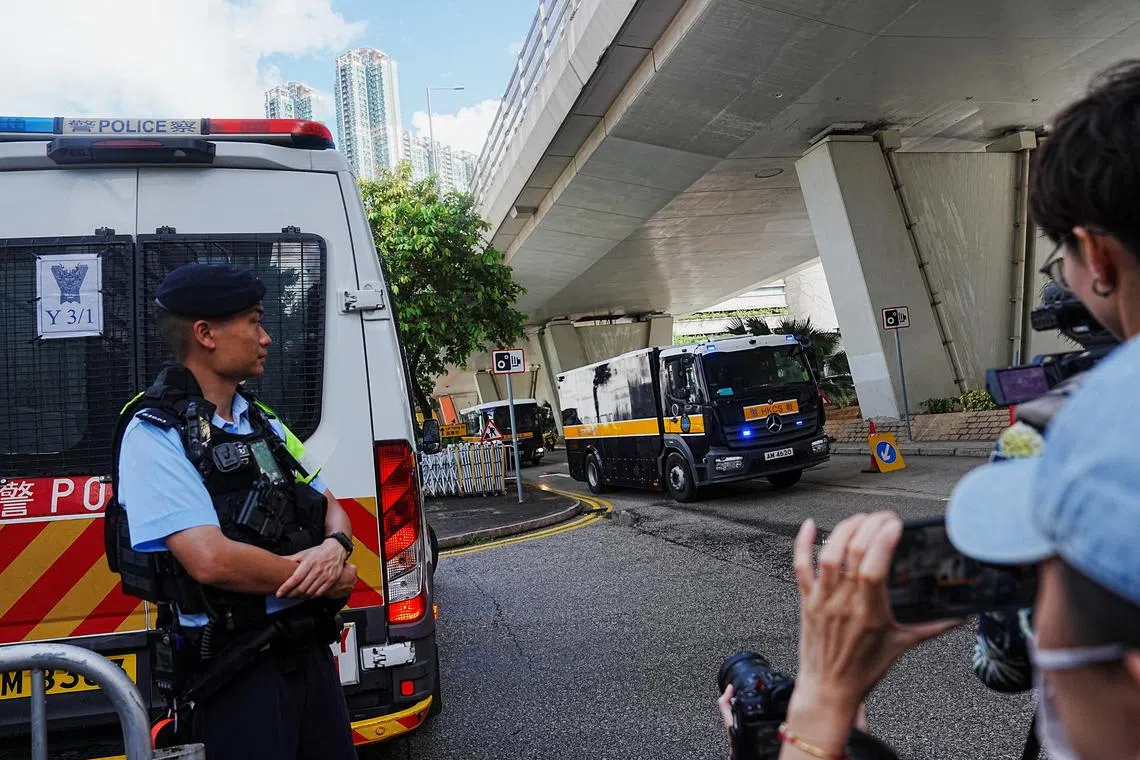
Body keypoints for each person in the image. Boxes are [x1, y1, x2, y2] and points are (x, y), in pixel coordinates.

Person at [719, 59, 1140, 760]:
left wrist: (820, 711)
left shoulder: (1076, 430)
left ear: (1095, 253)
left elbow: (1007, 666)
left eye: (1055, 576)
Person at [111, 262, 359, 760]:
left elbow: (331, 505)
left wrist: (336, 547)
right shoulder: (153, 432)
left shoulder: (260, 420)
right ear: (205, 334)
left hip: (305, 653)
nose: (266, 337)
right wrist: (323, 577)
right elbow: (209, 558)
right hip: (234, 670)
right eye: (253, 321)